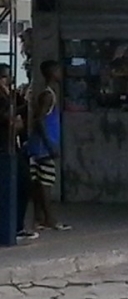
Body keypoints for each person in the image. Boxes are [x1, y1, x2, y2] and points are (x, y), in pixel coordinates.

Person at [28, 60, 71, 231]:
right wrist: (49, 144)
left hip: (41, 145)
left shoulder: (49, 94)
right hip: (43, 146)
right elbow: (39, 120)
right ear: (52, 73)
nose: (61, 74)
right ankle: (50, 219)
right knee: (46, 183)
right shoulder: (48, 96)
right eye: (58, 70)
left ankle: (39, 218)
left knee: (39, 182)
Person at [0, 65, 37, 242]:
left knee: (23, 185)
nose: (8, 81)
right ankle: (12, 227)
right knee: (19, 183)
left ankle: (17, 225)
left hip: (13, 145)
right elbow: (9, 119)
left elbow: (20, 120)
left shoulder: (12, 95)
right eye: (5, 77)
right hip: (4, 146)